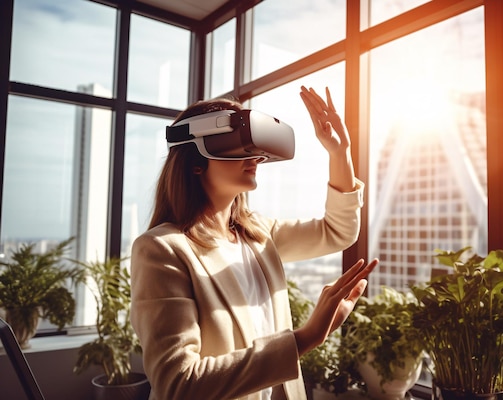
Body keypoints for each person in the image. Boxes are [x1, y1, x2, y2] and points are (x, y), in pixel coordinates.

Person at [130, 86, 378, 400]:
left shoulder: (258, 234)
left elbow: (338, 231)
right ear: (196, 162)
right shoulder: (161, 250)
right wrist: (305, 338)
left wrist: (339, 153)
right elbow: (178, 385)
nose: (256, 157)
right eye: (238, 145)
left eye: (255, 147)